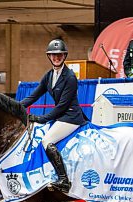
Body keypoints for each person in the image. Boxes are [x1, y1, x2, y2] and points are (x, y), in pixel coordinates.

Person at [20, 38, 87, 193]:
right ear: (49, 56)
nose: (56, 58)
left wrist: (42, 119)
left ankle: (63, 180)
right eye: (53, 55)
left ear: (64, 56)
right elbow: (33, 96)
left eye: (60, 55)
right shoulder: (49, 76)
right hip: (61, 116)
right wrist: (15, 106)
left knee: (47, 140)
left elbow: (63, 105)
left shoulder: (70, 77)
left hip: (70, 116)